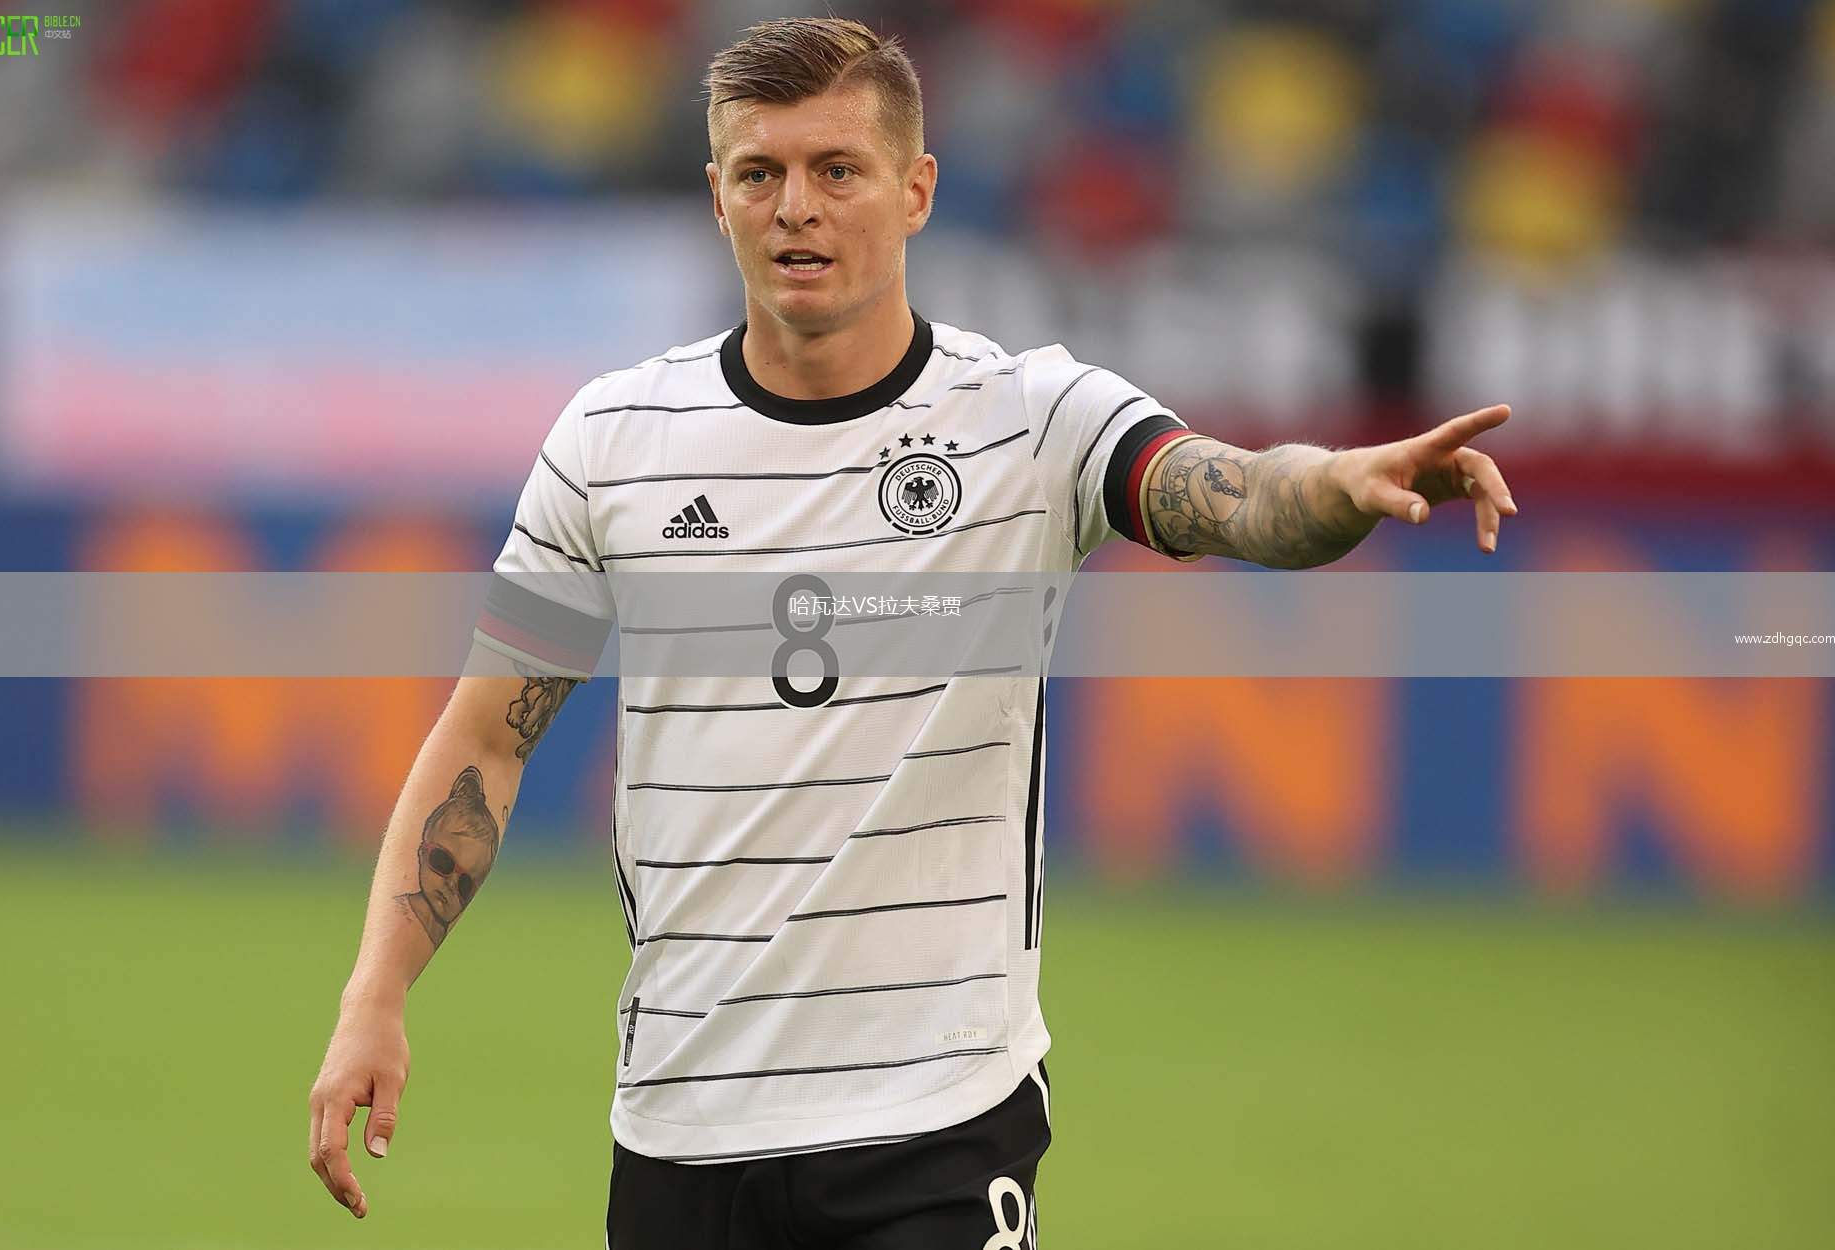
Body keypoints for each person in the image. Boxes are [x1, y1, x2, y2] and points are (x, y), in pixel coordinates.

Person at [306, 17, 1517, 1247]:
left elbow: (1232, 491)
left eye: (838, 169)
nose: (797, 207)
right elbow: (487, 740)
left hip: (937, 1127)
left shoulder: (1032, 420)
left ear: (917, 190)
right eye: (759, 172)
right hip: (678, 1129)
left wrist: (1339, 484)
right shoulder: (611, 442)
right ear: (716, 196)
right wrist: (374, 993)